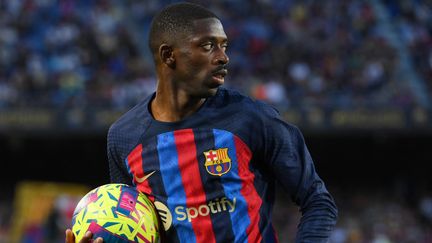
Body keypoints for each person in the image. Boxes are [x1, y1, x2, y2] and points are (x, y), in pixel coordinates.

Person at [66, 2, 337, 243]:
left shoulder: (253, 118)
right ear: (168, 55)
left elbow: (318, 201)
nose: (223, 57)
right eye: (208, 46)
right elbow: (137, 226)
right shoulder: (124, 137)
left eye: (224, 46)